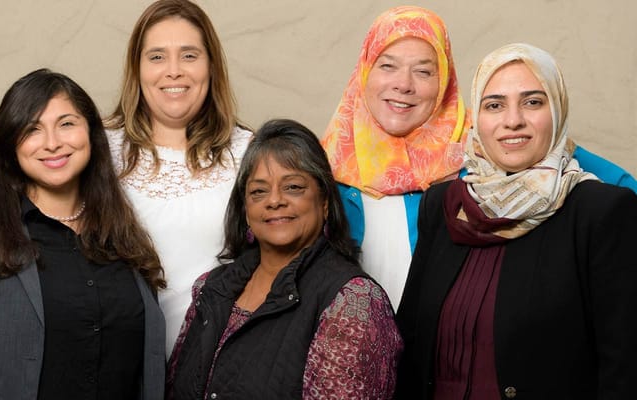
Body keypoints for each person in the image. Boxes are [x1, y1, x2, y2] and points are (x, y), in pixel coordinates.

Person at [321, 6, 636, 309]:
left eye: (423, 71)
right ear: (365, 71)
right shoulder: (322, 168)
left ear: (444, 81)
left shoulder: (483, 142)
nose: (404, 84)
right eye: (387, 65)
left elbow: (578, 167)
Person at [395, 43, 637, 399]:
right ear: (476, 117)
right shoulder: (445, 205)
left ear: (558, 109)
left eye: (532, 102)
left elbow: (625, 367)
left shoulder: (601, 211)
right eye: (494, 105)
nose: (513, 120)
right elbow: (411, 340)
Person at [0, 69, 166, 399]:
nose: (52, 143)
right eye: (32, 129)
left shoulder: (125, 238)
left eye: (66, 123)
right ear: (10, 144)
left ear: (90, 133)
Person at [168, 119, 402, 399]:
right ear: (245, 210)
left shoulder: (353, 301)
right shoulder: (210, 287)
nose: (274, 200)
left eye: (293, 187)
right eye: (258, 191)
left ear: (325, 202)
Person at [105, 0, 252, 354]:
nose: (174, 71)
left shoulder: (250, 152)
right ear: (136, 69)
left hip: (221, 364)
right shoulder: (100, 151)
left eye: (189, 55)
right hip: (121, 363)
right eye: (157, 56)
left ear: (211, 66)